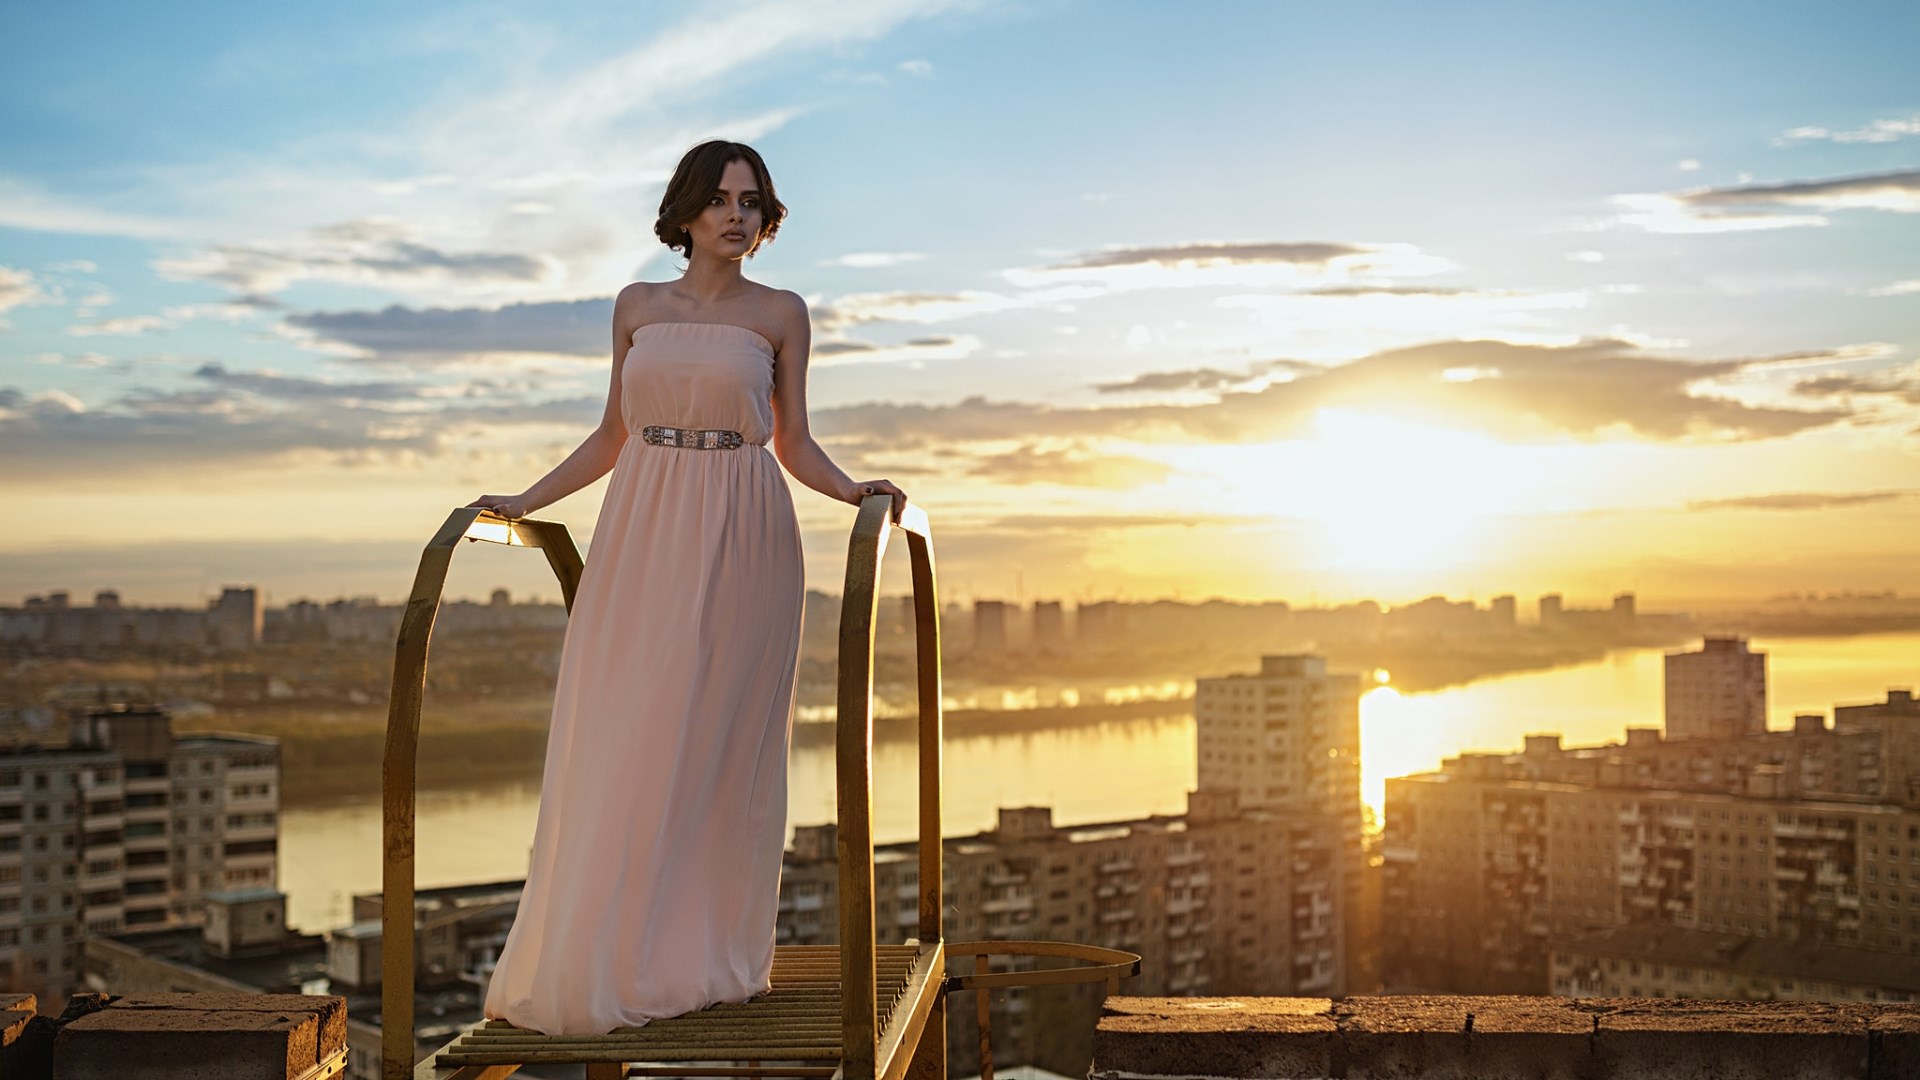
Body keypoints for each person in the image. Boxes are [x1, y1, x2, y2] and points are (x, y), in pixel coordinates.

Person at [466, 139, 906, 1035]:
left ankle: (705, 953)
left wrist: (855, 489)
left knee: (720, 741)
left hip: (747, 528)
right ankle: (607, 949)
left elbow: (791, 442)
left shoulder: (782, 312)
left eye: (752, 201)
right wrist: (524, 500)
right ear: (686, 213)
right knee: (627, 725)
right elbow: (610, 436)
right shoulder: (636, 306)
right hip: (642, 525)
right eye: (720, 200)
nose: (737, 216)